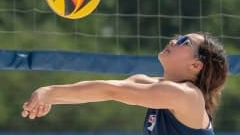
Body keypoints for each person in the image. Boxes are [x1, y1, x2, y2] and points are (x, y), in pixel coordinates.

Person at [21, 32, 228, 135]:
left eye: (185, 42)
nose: (174, 41)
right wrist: (53, 97)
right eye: (179, 37)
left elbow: (112, 91)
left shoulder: (187, 95)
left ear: (195, 65)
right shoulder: (150, 84)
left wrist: (49, 93)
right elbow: (105, 90)